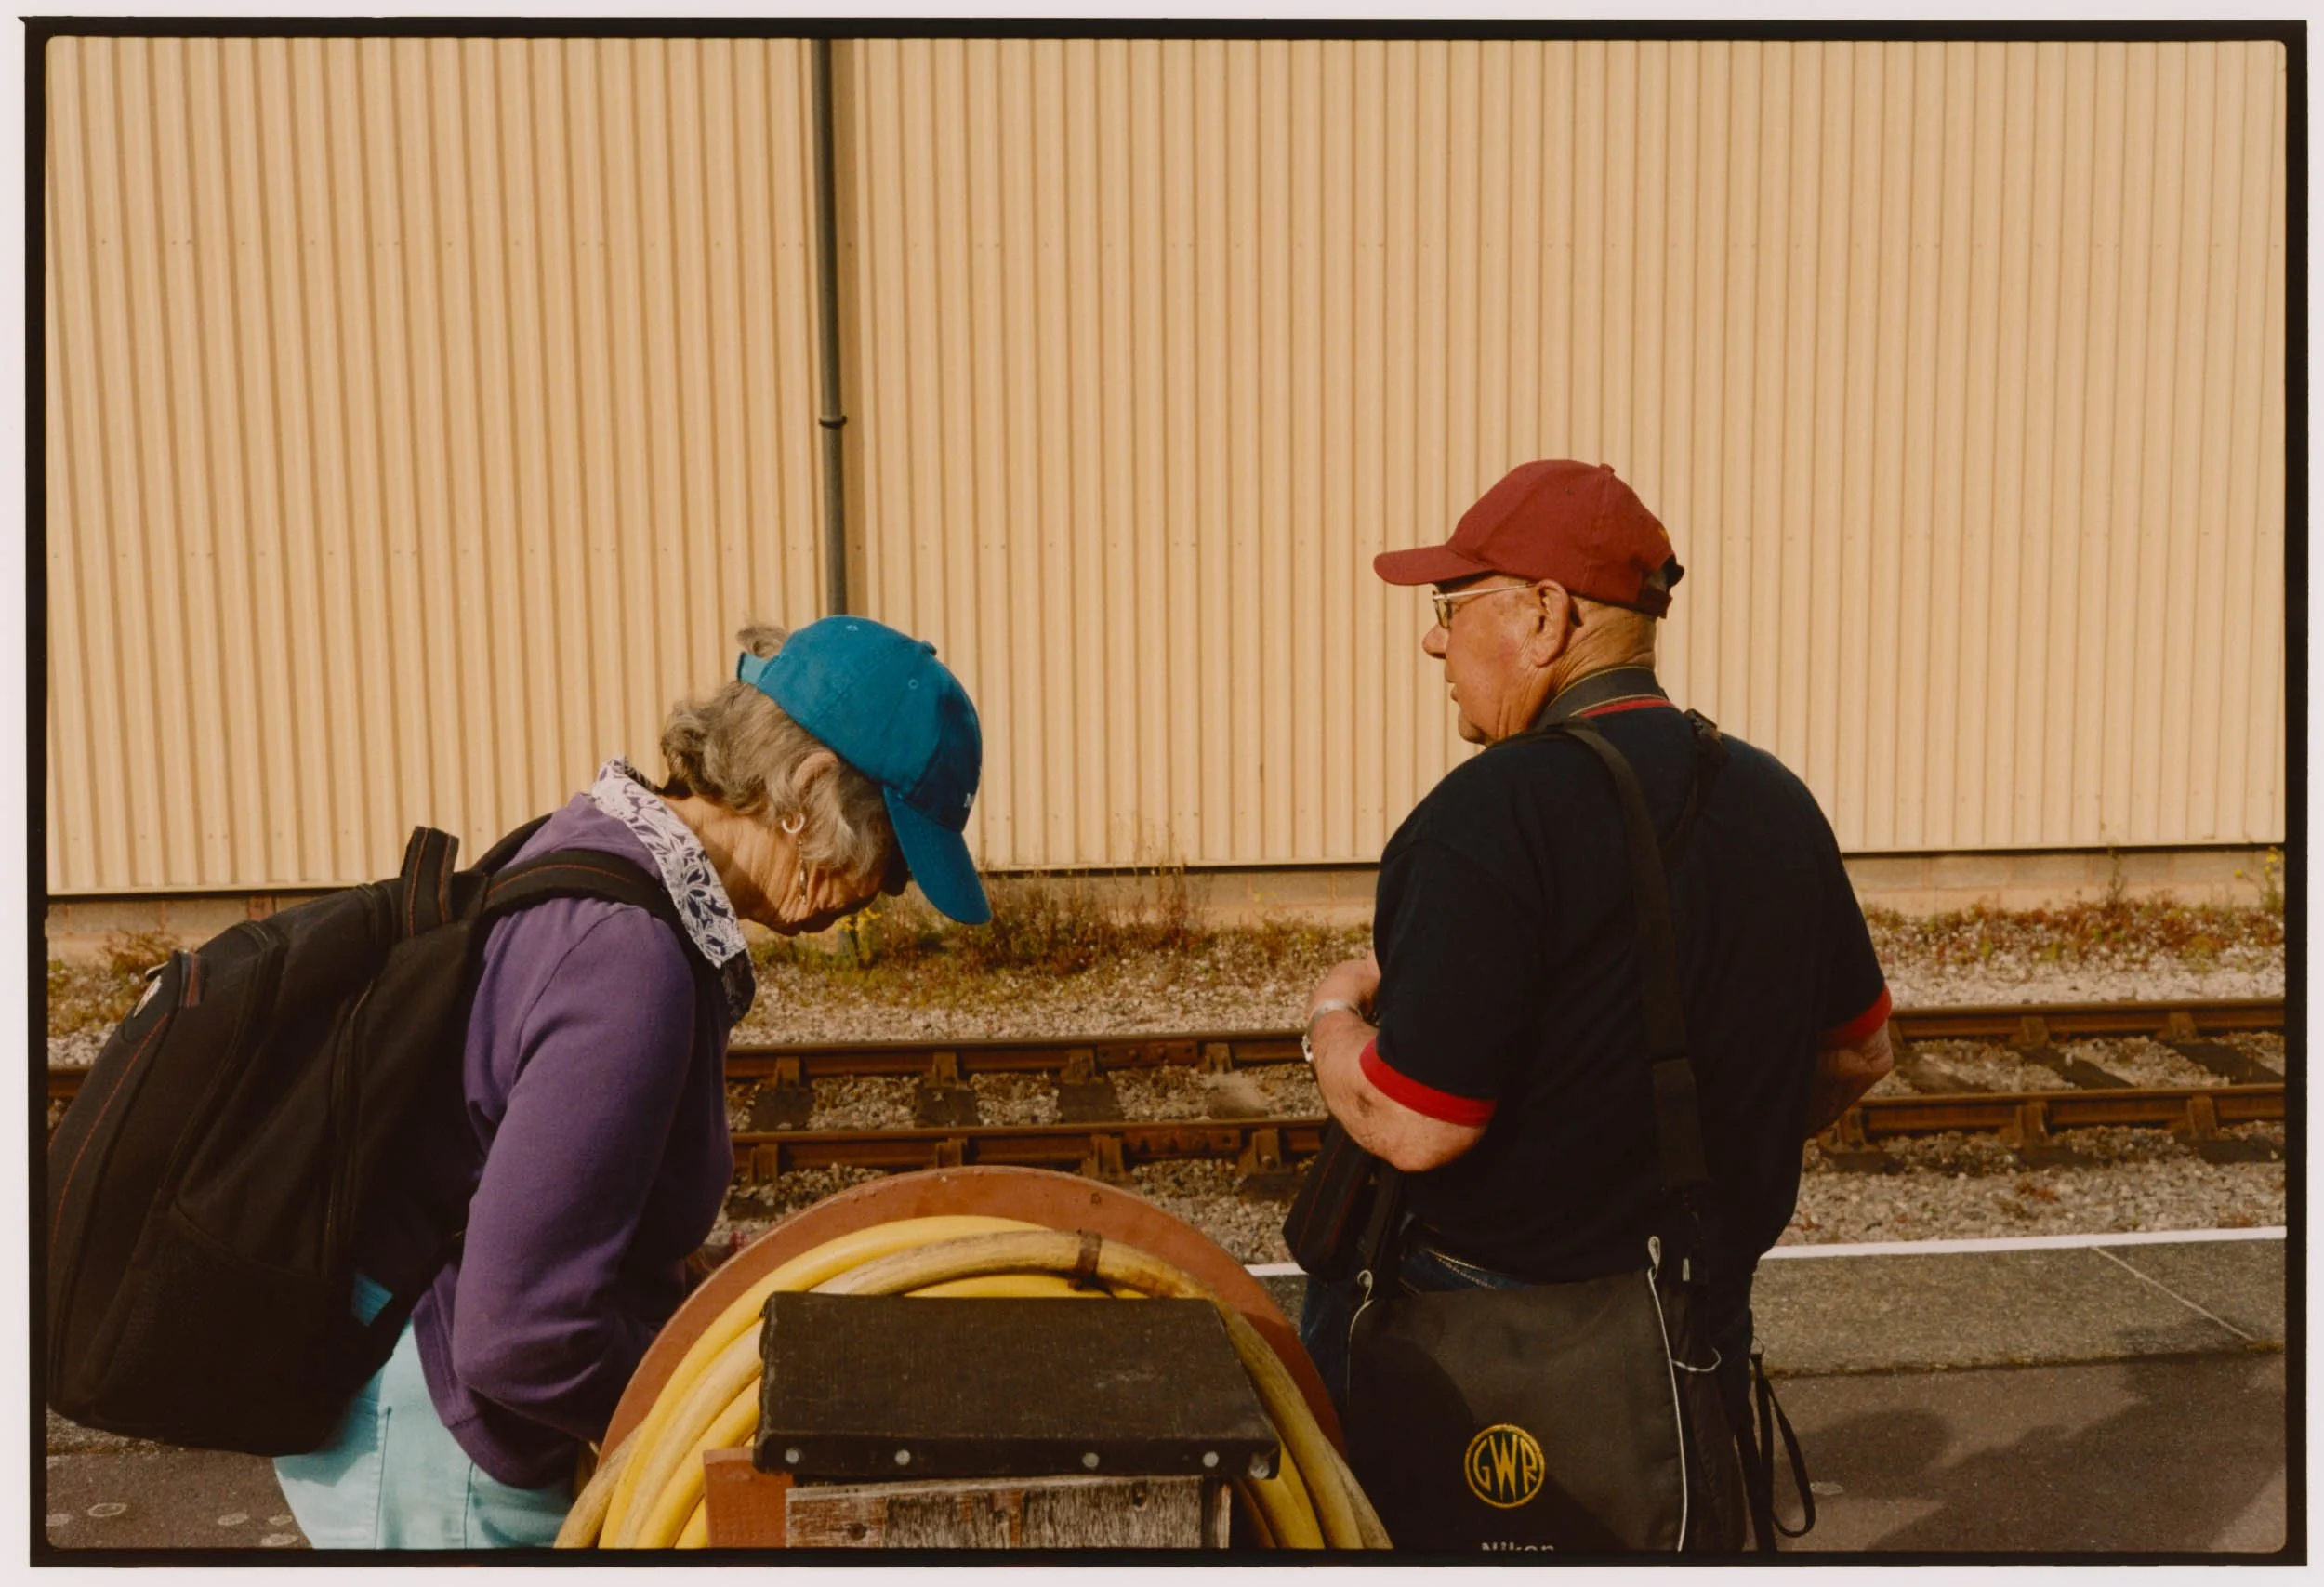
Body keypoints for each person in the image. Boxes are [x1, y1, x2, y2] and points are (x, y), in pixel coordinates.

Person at [273, 615, 991, 1548]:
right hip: (442, 1455)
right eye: (890, 856)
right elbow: (521, 1335)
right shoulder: (627, 961)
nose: (880, 893)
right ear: (807, 790)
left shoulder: (610, 853)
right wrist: (715, 1411)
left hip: (421, 1400)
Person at [1297, 459, 1895, 1543]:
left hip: (1488, 1338)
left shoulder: (1485, 817)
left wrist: (1332, 1022)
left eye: (1450, 607)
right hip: (1692, 1314)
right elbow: (1856, 1055)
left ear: (1543, 614)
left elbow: (1417, 1121)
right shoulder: (1773, 799)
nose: (1433, 641)